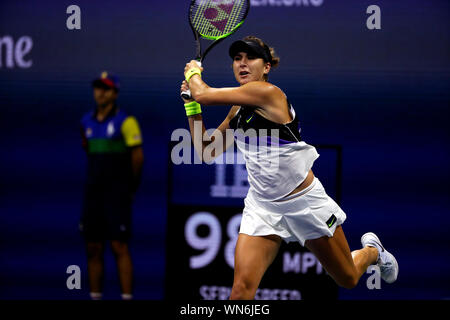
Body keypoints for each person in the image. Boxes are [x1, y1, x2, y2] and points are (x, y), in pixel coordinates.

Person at [180, 36, 398, 300]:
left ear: (267, 67)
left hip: (304, 203)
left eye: (251, 58)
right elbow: (206, 151)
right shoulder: (237, 108)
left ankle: (373, 251)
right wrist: (192, 107)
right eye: (237, 59)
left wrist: (193, 73)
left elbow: (203, 93)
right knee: (240, 291)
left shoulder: (269, 94)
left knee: (348, 278)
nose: (243, 64)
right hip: (262, 208)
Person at [80, 71, 144, 300]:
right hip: (93, 196)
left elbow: (137, 158)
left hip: (117, 196)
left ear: (115, 93)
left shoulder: (126, 122)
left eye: (106, 88)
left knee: (119, 247)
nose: (100, 92)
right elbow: (88, 150)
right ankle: (95, 296)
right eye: (98, 87)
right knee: (93, 248)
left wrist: (129, 187)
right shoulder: (85, 121)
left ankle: (127, 297)